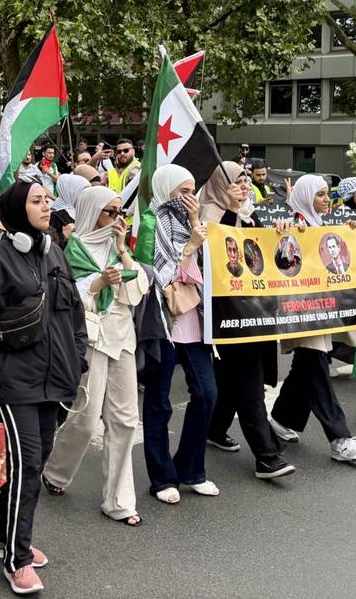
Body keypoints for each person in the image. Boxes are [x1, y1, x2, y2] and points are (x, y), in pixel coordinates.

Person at [0, 180, 86, 595]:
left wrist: (78, 358)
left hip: (54, 380)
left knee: (31, 462)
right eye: (37, 201)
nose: (47, 206)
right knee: (28, 463)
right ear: (16, 210)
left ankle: (5, 535)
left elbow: (75, 316)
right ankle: (17, 556)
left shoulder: (54, 254)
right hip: (11, 383)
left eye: (48, 199)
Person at [42, 185, 148, 526]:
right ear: (92, 212)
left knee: (125, 419)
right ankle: (56, 472)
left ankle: (119, 501)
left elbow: (135, 295)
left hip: (122, 337)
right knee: (86, 420)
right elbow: (66, 301)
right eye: (110, 212)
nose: (118, 219)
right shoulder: (71, 250)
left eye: (121, 213)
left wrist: (123, 250)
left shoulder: (120, 249)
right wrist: (99, 283)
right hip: (90, 338)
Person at [269, 174, 356, 462]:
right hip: (302, 312)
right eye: (321, 195)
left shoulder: (319, 223)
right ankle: (339, 438)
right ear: (306, 196)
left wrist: (349, 233)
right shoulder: (290, 223)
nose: (328, 200)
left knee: (308, 365)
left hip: (322, 310)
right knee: (316, 366)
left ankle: (280, 418)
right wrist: (282, 231)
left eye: (328, 194)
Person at [201, 162, 295, 480]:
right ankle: (267, 456)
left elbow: (259, 252)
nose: (242, 186)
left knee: (231, 381)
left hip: (253, 312)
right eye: (235, 181)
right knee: (249, 384)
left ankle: (214, 428)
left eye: (244, 180)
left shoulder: (250, 213)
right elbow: (219, 248)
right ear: (218, 184)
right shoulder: (208, 213)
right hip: (228, 315)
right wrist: (230, 211)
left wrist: (279, 232)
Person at [138, 164, 219, 504]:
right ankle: (161, 477)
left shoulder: (195, 222)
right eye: (180, 192)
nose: (188, 199)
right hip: (164, 320)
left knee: (207, 393)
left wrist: (199, 237)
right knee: (158, 401)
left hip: (195, 320)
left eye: (191, 191)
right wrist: (190, 247)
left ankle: (191, 468)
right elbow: (153, 275)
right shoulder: (148, 223)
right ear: (165, 190)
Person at [47, 173, 90, 249]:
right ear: (71, 193)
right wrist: (64, 236)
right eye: (82, 193)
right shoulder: (55, 217)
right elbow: (51, 247)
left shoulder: (84, 212)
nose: (86, 197)